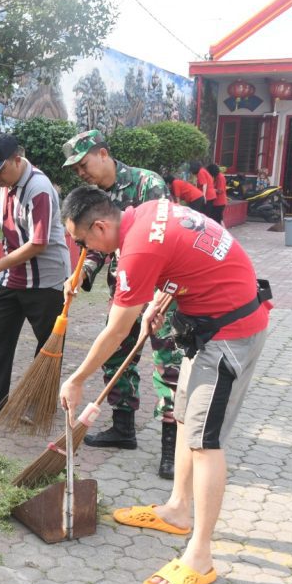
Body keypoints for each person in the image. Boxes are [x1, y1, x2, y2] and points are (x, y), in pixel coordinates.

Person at [59, 187, 270, 584]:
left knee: (205, 442)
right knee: (185, 414)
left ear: (101, 226)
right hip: (206, 326)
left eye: (83, 241)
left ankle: (201, 556)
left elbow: (117, 328)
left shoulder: (136, 251)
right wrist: (162, 296)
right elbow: (185, 253)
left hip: (230, 334)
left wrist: (77, 378)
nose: (83, 249)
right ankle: (177, 509)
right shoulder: (146, 211)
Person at [61, 129, 182, 479]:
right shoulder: (95, 197)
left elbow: (162, 236)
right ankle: (123, 427)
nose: (81, 173)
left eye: (83, 164)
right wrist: (83, 274)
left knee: (167, 363)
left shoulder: (147, 184)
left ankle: (171, 448)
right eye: (76, 170)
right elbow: (96, 245)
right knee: (116, 354)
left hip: (160, 291)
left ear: (102, 153)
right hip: (125, 288)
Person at [0, 132, 70, 414]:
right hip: (13, 273)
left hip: (45, 277)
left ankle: (39, 401)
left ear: (16, 160)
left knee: (49, 340)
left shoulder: (40, 188)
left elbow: (38, 242)